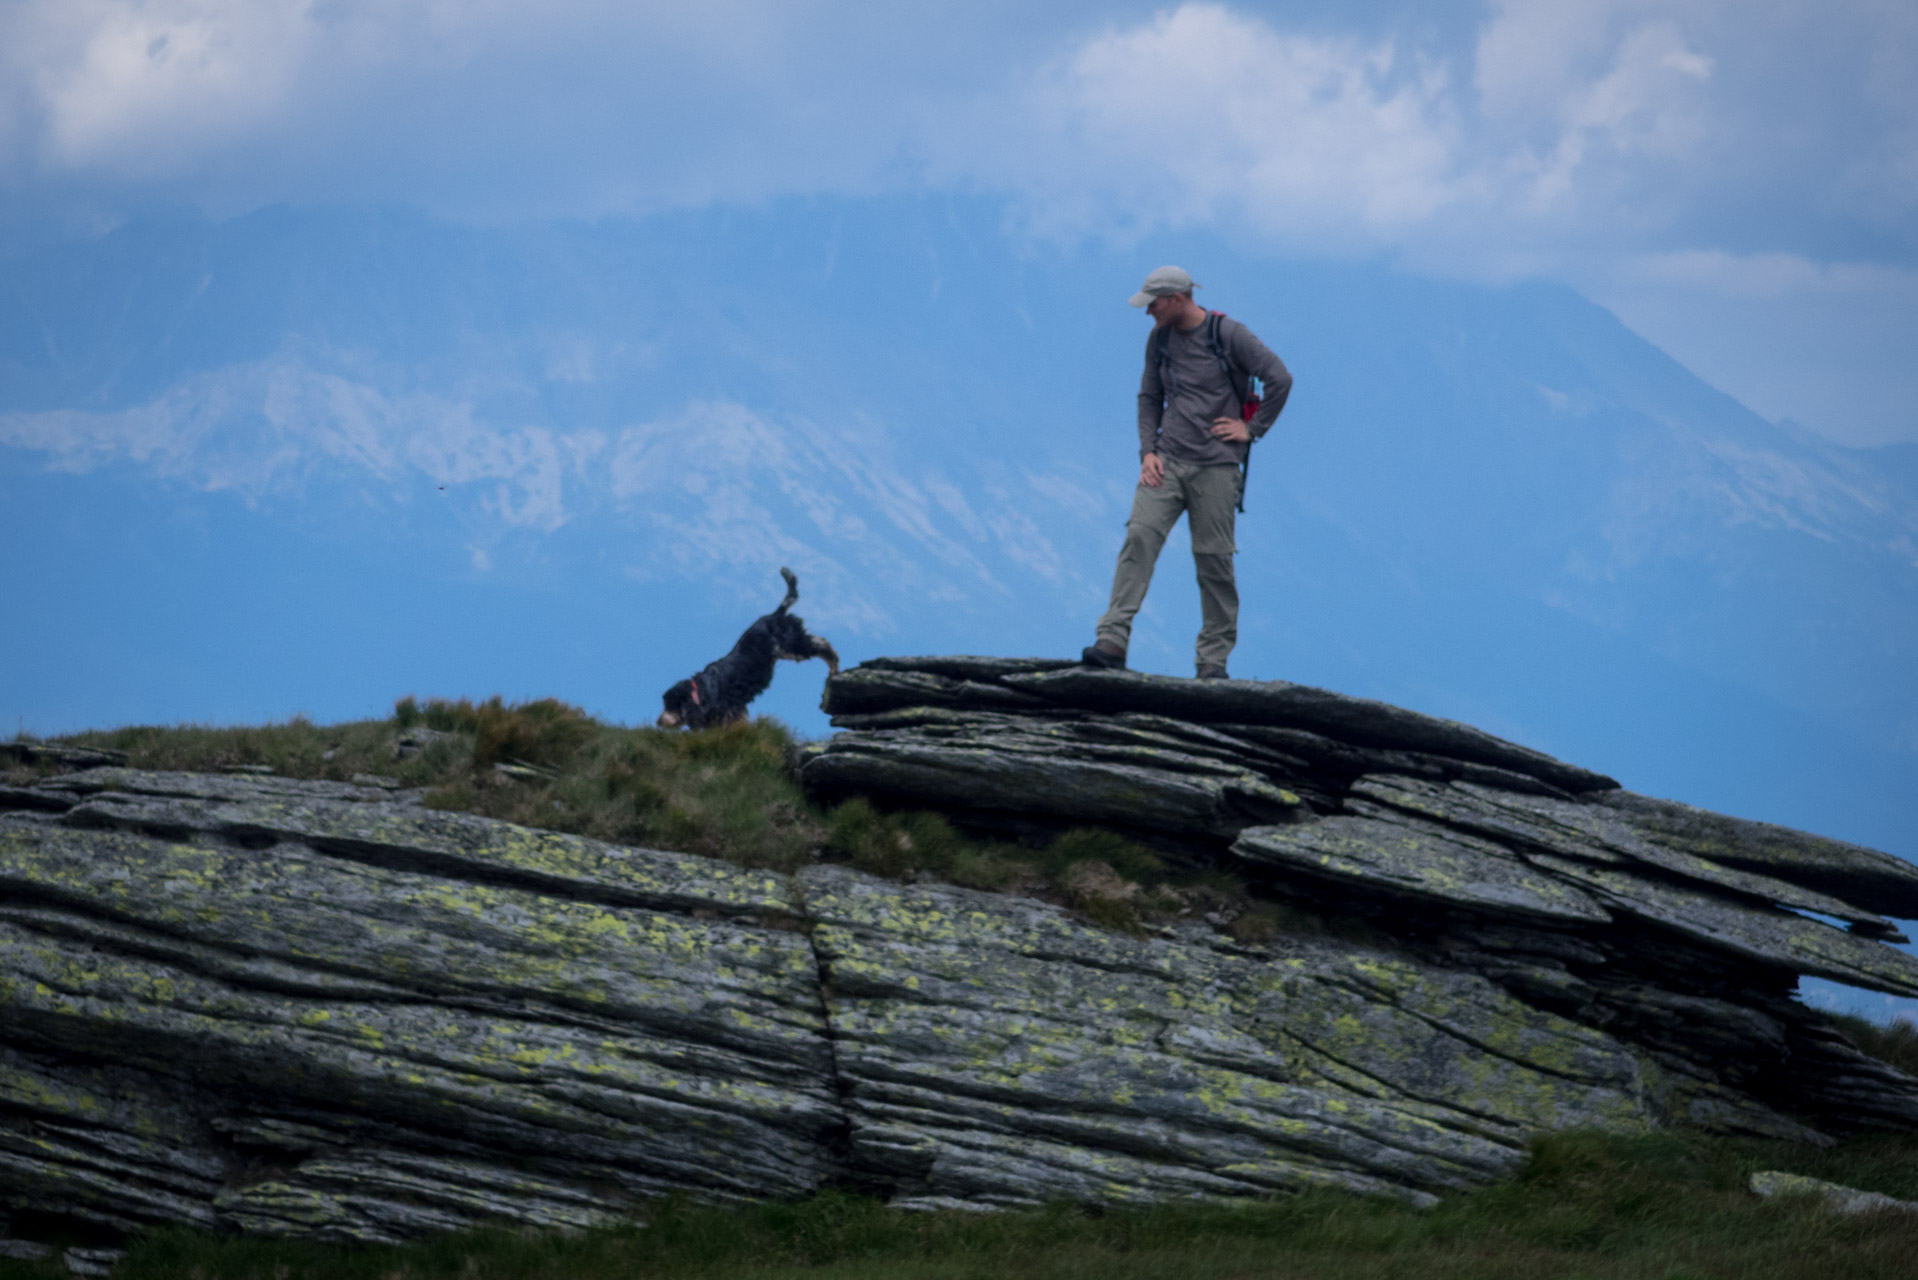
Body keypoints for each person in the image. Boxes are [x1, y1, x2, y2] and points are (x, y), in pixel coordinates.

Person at [1082, 265, 1293, 679]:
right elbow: (1149, 396)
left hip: (1217, 467)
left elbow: (1280, 378)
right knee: (1139, 538)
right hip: (1167, 461)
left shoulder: (1229, 335)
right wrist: (1147, 451)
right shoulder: (1159, 339)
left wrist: (1251, 430)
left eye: (1153, 304)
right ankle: (1112, 642)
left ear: (1178, 299)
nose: (1148, 312)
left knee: (1214, 561)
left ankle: (1212, 662)